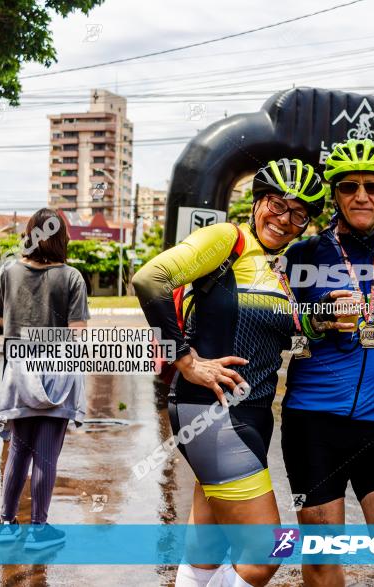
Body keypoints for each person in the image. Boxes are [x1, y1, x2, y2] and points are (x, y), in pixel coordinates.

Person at [133, 159, 327, 587]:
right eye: (278, 205)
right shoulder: (228, 239)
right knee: (268, 552)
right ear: (258, 201)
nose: (285, 219)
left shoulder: (279, 268)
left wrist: (321, 322)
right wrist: (185, 358)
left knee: (205, 552)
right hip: (213, 412)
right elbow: (151, 279)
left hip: (251, 414)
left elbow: (275, 333)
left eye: (299, 214)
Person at [281, 139, 374, 587]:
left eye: (373, 187)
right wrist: (319, 320)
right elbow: (273, 327)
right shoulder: (303, 256)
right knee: (324, 559)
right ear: (335, 194)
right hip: (313, 424)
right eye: (349, 187)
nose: (362, 196)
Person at [0, 208, 90, 550]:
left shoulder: (8, 272)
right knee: (46, 454)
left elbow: (5, 319)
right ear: (62, 237)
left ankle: (6, 523)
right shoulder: (72, 277)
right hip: (56, 368)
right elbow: (77, 333)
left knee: (19, 449)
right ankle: (38, 529)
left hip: (17, 369)